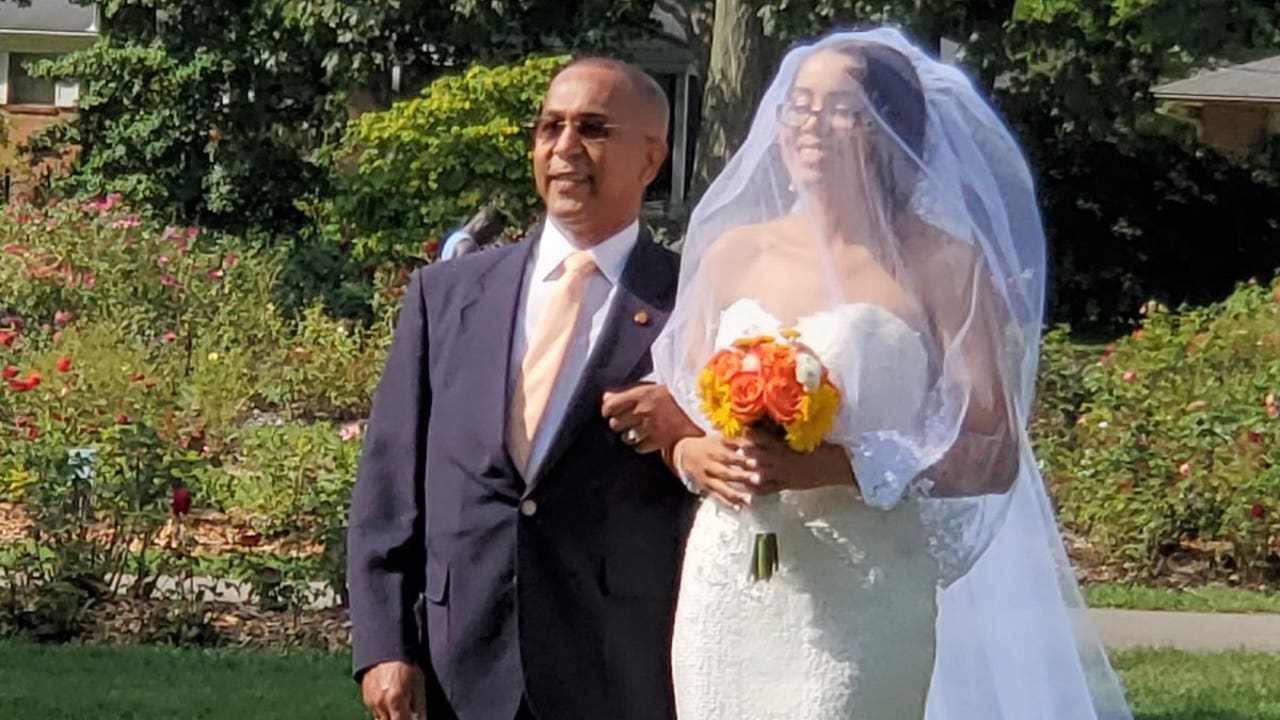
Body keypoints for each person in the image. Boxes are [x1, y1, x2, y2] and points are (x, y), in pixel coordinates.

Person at [636, 27, 1133, 720]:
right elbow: (683, 401)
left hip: (866, 582)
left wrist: (842, 465)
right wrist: (692, 451)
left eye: (839, 108)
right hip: (731, 576)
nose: (810, 123)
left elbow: (991, 453)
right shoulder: (732, 252)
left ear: (892, 131)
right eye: (798, 104)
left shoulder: (943, 264)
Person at [346, 56, 700, 720]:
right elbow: (389, 486)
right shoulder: (445, 296)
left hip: (615, 667)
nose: (564, 147)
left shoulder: (695, 302)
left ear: (651, 159)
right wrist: (385, 643)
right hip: (458, 667)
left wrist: (686, 430)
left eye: (592, 128)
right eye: (549, 127)